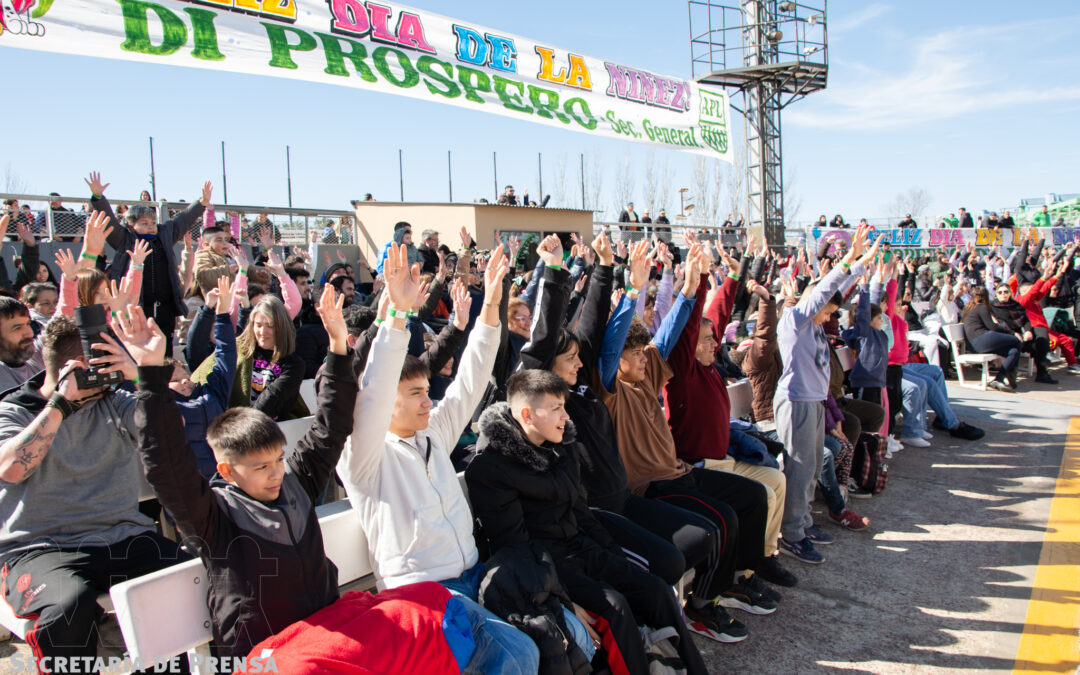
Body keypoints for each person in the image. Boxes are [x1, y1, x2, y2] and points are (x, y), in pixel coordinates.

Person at [120, 287, 388, 658]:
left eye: (278, 459)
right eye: (261, 467)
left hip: (325, 637)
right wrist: (150, 376)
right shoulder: (213, 517)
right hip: (262, 656)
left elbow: (332, 425)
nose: (277, 473)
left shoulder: (296, 483)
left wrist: (339, 345)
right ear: (227, 471)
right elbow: (166, 463)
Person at [336, 242, 553, 675]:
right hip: (424, 595)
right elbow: (375, 388)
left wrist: (491, 303)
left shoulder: (433, 432)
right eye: (415, 394)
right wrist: (395, 316)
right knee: (518, 657)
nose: (427, 401)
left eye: (426, 391)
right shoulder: (363, 458)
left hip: (473, 579)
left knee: (552, 635)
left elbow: (471, 379)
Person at [468, 370, 707, 675]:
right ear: (527, 414)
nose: (565, 416)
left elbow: (582, 513)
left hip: (580, 548)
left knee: (655, 590)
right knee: (614, 607)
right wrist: (562, 603)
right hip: (544, 568)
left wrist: (616, 559)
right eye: (556, 408)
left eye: (564, 407)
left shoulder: (561, 446)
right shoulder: (492, 468)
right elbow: (514, 550)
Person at [0, 316, 187, 671]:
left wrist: (141, 374)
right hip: (38, 549)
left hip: (121, 535)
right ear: (77, 368)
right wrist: (61, 405)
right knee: (70, 605)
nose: (110, 376)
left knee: (188, 575)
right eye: (104, 365)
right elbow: (11, 467)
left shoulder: (112, 401)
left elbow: (170, 431)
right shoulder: (12, 410)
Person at [663, 242, 794, 591]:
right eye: (703, 341)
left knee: (776, 480)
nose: (711, 344)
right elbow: (693, 326)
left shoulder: (710, 364)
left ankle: (764, 557)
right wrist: (702, 277)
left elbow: (716, 318)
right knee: (759, 496)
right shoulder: (682, 373)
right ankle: (741, 573)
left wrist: (735, 274)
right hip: (701, 466)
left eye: (713, 340)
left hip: (726, 460)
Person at [775, 225, 881, 564]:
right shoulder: (794, 320)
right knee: (801, 468)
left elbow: (833, 295)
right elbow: (824, 294)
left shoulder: (817, 325)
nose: (831, 314)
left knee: (811, 470)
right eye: (828, 310)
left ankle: (803, 523)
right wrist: (848, 260)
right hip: (798, 403)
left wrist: (861, 266)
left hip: (815, 403)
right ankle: (792, 533)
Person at [86, 171, 209, 358]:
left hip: (165, 303)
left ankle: (167, 372)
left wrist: (201, 203)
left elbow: (183, 220)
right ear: (131, 225)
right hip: (136, 303)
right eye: (144, 223)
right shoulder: (125, 239)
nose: (150, 226)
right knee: (138, 342)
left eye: (152, 222)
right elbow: (109, 220)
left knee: (164, 343)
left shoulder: (164, 234)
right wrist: (98, 198)